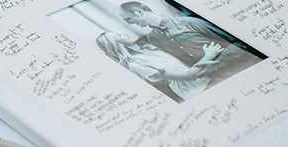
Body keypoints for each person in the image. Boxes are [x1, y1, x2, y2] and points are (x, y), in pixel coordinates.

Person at [119, 0, 263, 81]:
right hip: (213, 78)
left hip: (244, 68)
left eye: (128, 19)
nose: (129, 23)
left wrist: (215, 63)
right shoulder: (153, 38)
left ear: (139, 11)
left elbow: (238, 44)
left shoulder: (190, 23)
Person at [96, 30, 224, 101]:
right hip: (196, 92)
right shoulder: (136, 64)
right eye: (119, 35)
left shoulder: (148, 49)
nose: (124, 34)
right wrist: (208, 55)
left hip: (207, 79)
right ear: (116, 44)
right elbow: (187, 76)